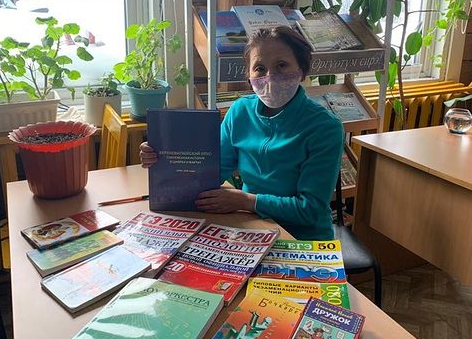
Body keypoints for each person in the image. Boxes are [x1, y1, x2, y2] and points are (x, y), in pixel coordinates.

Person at [140, 26, 344, 240]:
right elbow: (209, 171)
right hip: (253, 227)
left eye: (281, 65)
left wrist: (247, 201)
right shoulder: (240, 111)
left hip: (303, 237)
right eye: (260, 68)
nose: (270, 76)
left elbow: (310, 209)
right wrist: (162, 158)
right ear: (249, 75)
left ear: (302, 70)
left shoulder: (325, 127)